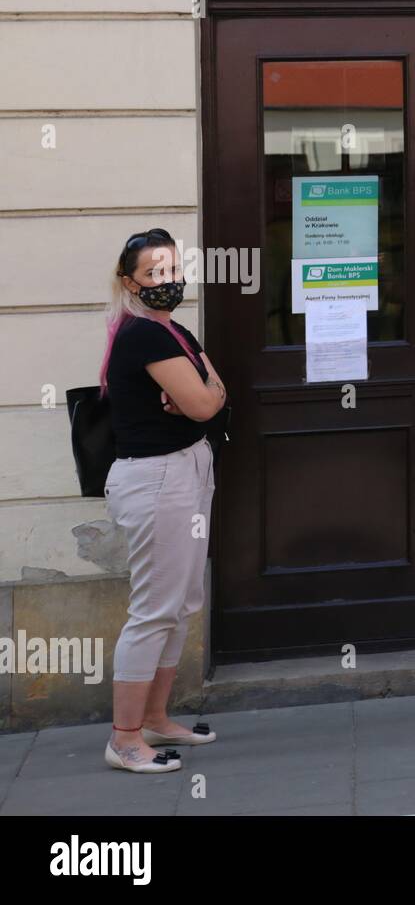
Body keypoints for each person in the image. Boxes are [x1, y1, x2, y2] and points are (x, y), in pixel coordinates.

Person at [101, 228, 227, 772]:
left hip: (187, 471)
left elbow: (214, 392)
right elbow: (204, 403)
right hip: (157, 480)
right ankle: (125, 740)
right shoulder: (145, 337)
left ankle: (156, 719)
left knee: (180, 606)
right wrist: (204, 395)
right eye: (153, 273)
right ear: (129, 282)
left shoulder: (172, 330)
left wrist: (206, 395)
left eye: (172, 270)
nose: (166, 281)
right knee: (155, 611)